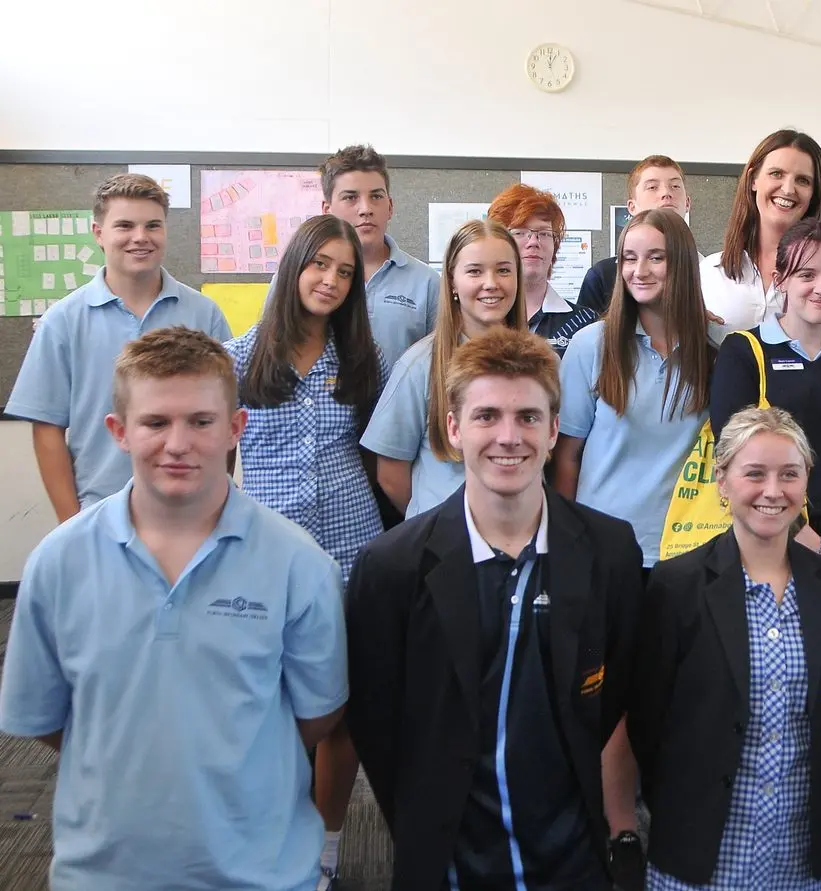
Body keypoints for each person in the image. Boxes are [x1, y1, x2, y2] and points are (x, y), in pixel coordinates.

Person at [0, 326, 347, 891]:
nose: (178, 444)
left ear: (236, 428)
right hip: (104, 872)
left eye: (201, 421)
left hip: (260, 872)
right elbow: (48, 718)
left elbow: (317, 717)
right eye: (156, 422)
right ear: (119, 431)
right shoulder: (58, 564)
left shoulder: (300, 565)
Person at [343, 327, 643, 891]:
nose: (509, 437)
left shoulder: (610, 552)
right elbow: (377, 725)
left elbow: (612, 696)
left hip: (572, 861)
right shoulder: (392, 568)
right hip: (448, 866)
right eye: (486, 416)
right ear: (454, 429)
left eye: (528, 417)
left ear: (554, 430)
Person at [627, 405, 821, 890]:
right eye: (755, 473)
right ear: (722, 480)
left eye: (789, 474)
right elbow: (648, 722)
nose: (773, 491)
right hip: (700, 857)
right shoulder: (677, 585)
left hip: (799, 858)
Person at [224, 213, 386, 890]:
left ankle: (325, 847)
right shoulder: (237, 358)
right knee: (271, 710)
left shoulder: (361, 359)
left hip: (352, 550)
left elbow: (377, 458)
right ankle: (268, 840)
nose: (331, 280)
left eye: (345, 271)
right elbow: (215, 468)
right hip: (270, 559)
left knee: (342, 706)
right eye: (320, 264)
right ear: (294, 267)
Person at [554, 208, 715, 880]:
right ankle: (621, 831)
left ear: (682, 265)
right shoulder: (592, 346)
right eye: (629, 257)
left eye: (656, 257)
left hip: (689, 553)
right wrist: (567, 542)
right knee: (613, 700)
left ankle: (673, 816)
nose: (640, 270)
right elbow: (566, 456)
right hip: (607, 551)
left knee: (680, 697)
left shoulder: (718, 347)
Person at [7, 173, 231, 522]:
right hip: (101, 514)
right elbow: (47, 429)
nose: (140, 237)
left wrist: (215, 506)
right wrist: (74, 524)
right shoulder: (62, 322)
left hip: (191, 515)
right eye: (125, 225)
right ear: (99, 233)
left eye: (153, 225)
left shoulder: (205, 315)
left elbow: (225, 416)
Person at [709, 219, 821, 580]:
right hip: (768, 542)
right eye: (806, 274)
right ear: (781, 280)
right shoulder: (743, 352)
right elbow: (734, 459)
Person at [361, 220, 527, 518]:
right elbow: (390, 472)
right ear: (452, 281)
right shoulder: (419, 365)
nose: (491, 283)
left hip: (521, 532)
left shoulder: (540, 364)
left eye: (504, 270)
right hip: (444, 536)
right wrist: (435, 521)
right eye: (474, 271)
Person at [699, 129, 821, 362]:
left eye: (803, 180)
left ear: (815, 192)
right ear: (753, 180)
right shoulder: (711, 272)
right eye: (776, 174)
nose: (788, 189)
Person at [314, 144, 440, 367]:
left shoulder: (427, 283)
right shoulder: (300, 276)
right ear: (327, 210)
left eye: (376, 196)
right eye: (350, 197)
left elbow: (440, 364)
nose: (366, 209)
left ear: (390, 207)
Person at [488, 183, 597, 357]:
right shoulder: (481, 317)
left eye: (544, 233)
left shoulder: (585, 323)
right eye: (520, 232)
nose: (533, 242)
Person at [579, 155, 694, 316]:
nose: (666, 193)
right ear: (632, 207)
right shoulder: (603, 275)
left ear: (688, 203)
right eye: (652, 187)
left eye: (675, 186)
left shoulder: (711, 272)